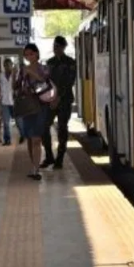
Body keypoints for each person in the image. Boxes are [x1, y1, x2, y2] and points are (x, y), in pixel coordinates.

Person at [15, 44, 51, 181]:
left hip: (41, 105)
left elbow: (45, 80)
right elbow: (17, 86)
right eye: (26, 54)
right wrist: (16, 78)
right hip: (27, 106)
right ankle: (33, 165)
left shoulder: (44, 68)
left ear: (37, 54)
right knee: (30, 137)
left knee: (37, 138)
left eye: (31, 53)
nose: (29, 56)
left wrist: (31, 72)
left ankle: (36, 168)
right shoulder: (22, 69)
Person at [42, 36, 76, 170]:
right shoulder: (49, 62)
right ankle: (49, 156)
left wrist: (58, 97)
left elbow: (69, 82)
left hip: (64, 100)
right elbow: (46, 82)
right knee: (44, 127)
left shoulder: (70, 62)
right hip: (51, 101)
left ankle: (59, 158)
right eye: (54, 46)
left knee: (62, 128)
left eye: (57, 46)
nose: (55, 48)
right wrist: (50, 98)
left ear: (63, 47)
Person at [0, 58, 17, 146]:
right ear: (4, 66)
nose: (7, 67)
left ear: (12, 65)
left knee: (19, 121)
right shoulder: (1, 75)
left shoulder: (15, 75)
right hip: (4, 101)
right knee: (6, 122)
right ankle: (7, 140)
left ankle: (24, 135)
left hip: (14, 101)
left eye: (9, 65)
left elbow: (17, 86)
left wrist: (14, 76)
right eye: (5, 65)